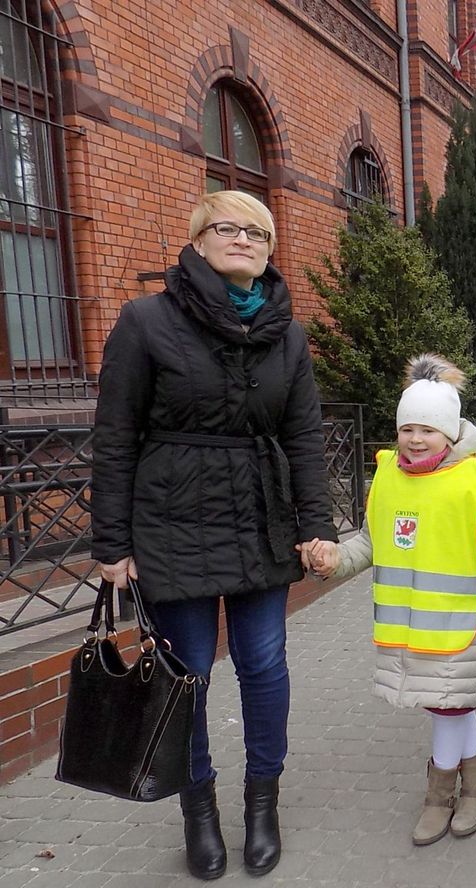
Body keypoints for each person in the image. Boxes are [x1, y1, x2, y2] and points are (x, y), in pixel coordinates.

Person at [91, 191, 337, 880]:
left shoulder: (286, 332)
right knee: (186, 676)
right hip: (172, 520)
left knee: (263, 666)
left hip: (260, 518)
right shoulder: (146, 321)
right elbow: (114, 438)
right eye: (227, 227)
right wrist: (112, 542)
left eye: (258, 231)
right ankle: (198, 812)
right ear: (198, 241)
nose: (245, 239)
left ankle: (264, 805)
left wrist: (316, 526)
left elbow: (304, 437)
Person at [307, 355, 476, 847]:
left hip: (457, 629)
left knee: (449, 709)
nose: (416, 440)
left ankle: (441, 795)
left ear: (450, 432)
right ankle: (475, 786)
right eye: (407, 429)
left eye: (428, 430)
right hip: (409, 630)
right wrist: (335, 558)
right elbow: (374, 545)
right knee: (451, 707)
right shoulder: (387, 479)